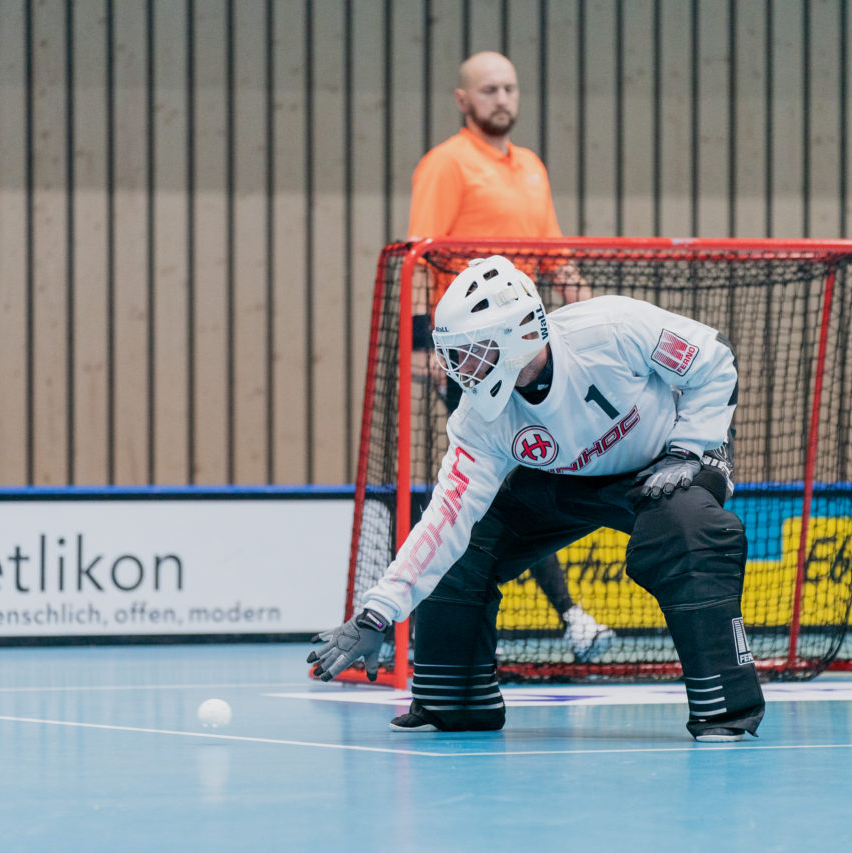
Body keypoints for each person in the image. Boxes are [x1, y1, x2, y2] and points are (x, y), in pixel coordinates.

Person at [309, 255, 766, 743]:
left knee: (689, 534)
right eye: (454, 354)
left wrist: (687, 447)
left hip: (664, 464)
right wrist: (378, 611)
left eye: (470, 351)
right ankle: (452, 700)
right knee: (467, 544)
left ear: (515, 336)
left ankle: (724, 710)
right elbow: (446, 517)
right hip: (565, 476)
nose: (456, 368)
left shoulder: (611, 327)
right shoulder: (479, 419)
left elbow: (713, 359)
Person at [407, 50, 609, 662]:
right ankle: (457, 630)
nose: (502, 99)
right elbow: (421, 257)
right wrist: (421, 347)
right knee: (491, 486)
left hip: (531, 358)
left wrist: (599, 325)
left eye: (510, 88)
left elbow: (555, 259)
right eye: (489, 90)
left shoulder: (531, 169)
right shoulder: (446, 165)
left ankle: (565, 618)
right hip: (472, 365)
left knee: (528, 481)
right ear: (463, 100)